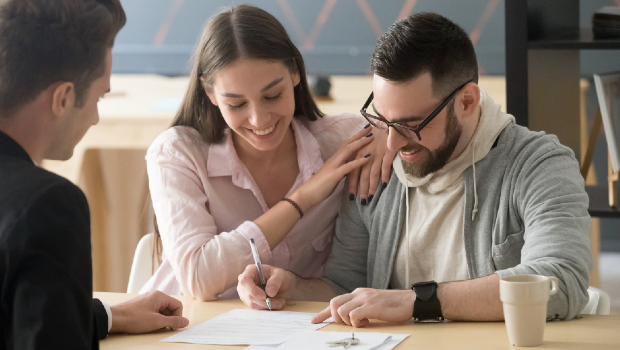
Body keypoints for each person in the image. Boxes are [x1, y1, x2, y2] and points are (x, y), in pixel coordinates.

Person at [237, 12, 593, 325]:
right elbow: (347, 285)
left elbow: (560, 281)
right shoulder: (375, 169)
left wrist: (417, 302)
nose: (391, 144)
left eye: (410, 124)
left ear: (467, 101)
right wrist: (294, 286)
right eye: (382, 119)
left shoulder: (538, 164)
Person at [140, 4, 394, 301]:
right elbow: (198, 278)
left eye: (273, 95)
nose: (259, 120)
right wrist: (302, 198)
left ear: (296, 74)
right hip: (190, 331)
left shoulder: (344, 143)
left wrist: (387, 130)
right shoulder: (177, 154)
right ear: (210, 93)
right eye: (236, 104)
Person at [0, 1, 188, 348]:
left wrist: (109, 316)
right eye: (100, 97)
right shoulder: (47, 204)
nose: (96, 118)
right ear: (63, 98)